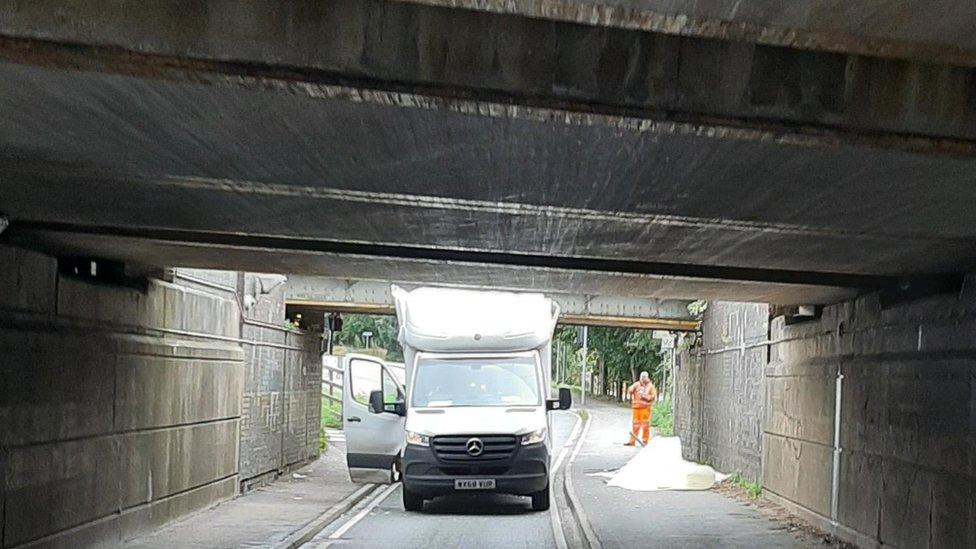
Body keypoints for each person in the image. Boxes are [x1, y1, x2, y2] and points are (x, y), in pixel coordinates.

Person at [625, 371, 657, 446]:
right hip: (636, 408)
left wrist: (645, 397)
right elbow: (630, 390)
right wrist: (631, 389)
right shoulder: (636, 384)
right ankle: (632, 441)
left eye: (644, 377)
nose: (642, 379)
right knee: (635, 425)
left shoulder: (650, 387)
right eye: (641, 377)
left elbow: (653, 397)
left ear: (647, 378)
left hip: (645, 409)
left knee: (645, 425)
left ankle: (645, 441)